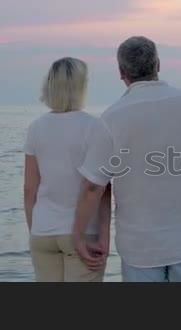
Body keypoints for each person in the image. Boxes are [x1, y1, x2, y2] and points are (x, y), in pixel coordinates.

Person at [72, 36, 181, 282]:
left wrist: (79, 235)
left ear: (121, 72)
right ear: (158, 64)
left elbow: (94, 186)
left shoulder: (112, 118)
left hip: (139, 245)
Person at [23, 57, 111, 282]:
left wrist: (37, 230)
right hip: (81, 234)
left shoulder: (36, 128)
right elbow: (99, 189)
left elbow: (29, 189)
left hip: (43, 234)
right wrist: (104, 236)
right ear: (81, 86)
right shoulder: (95, 127)